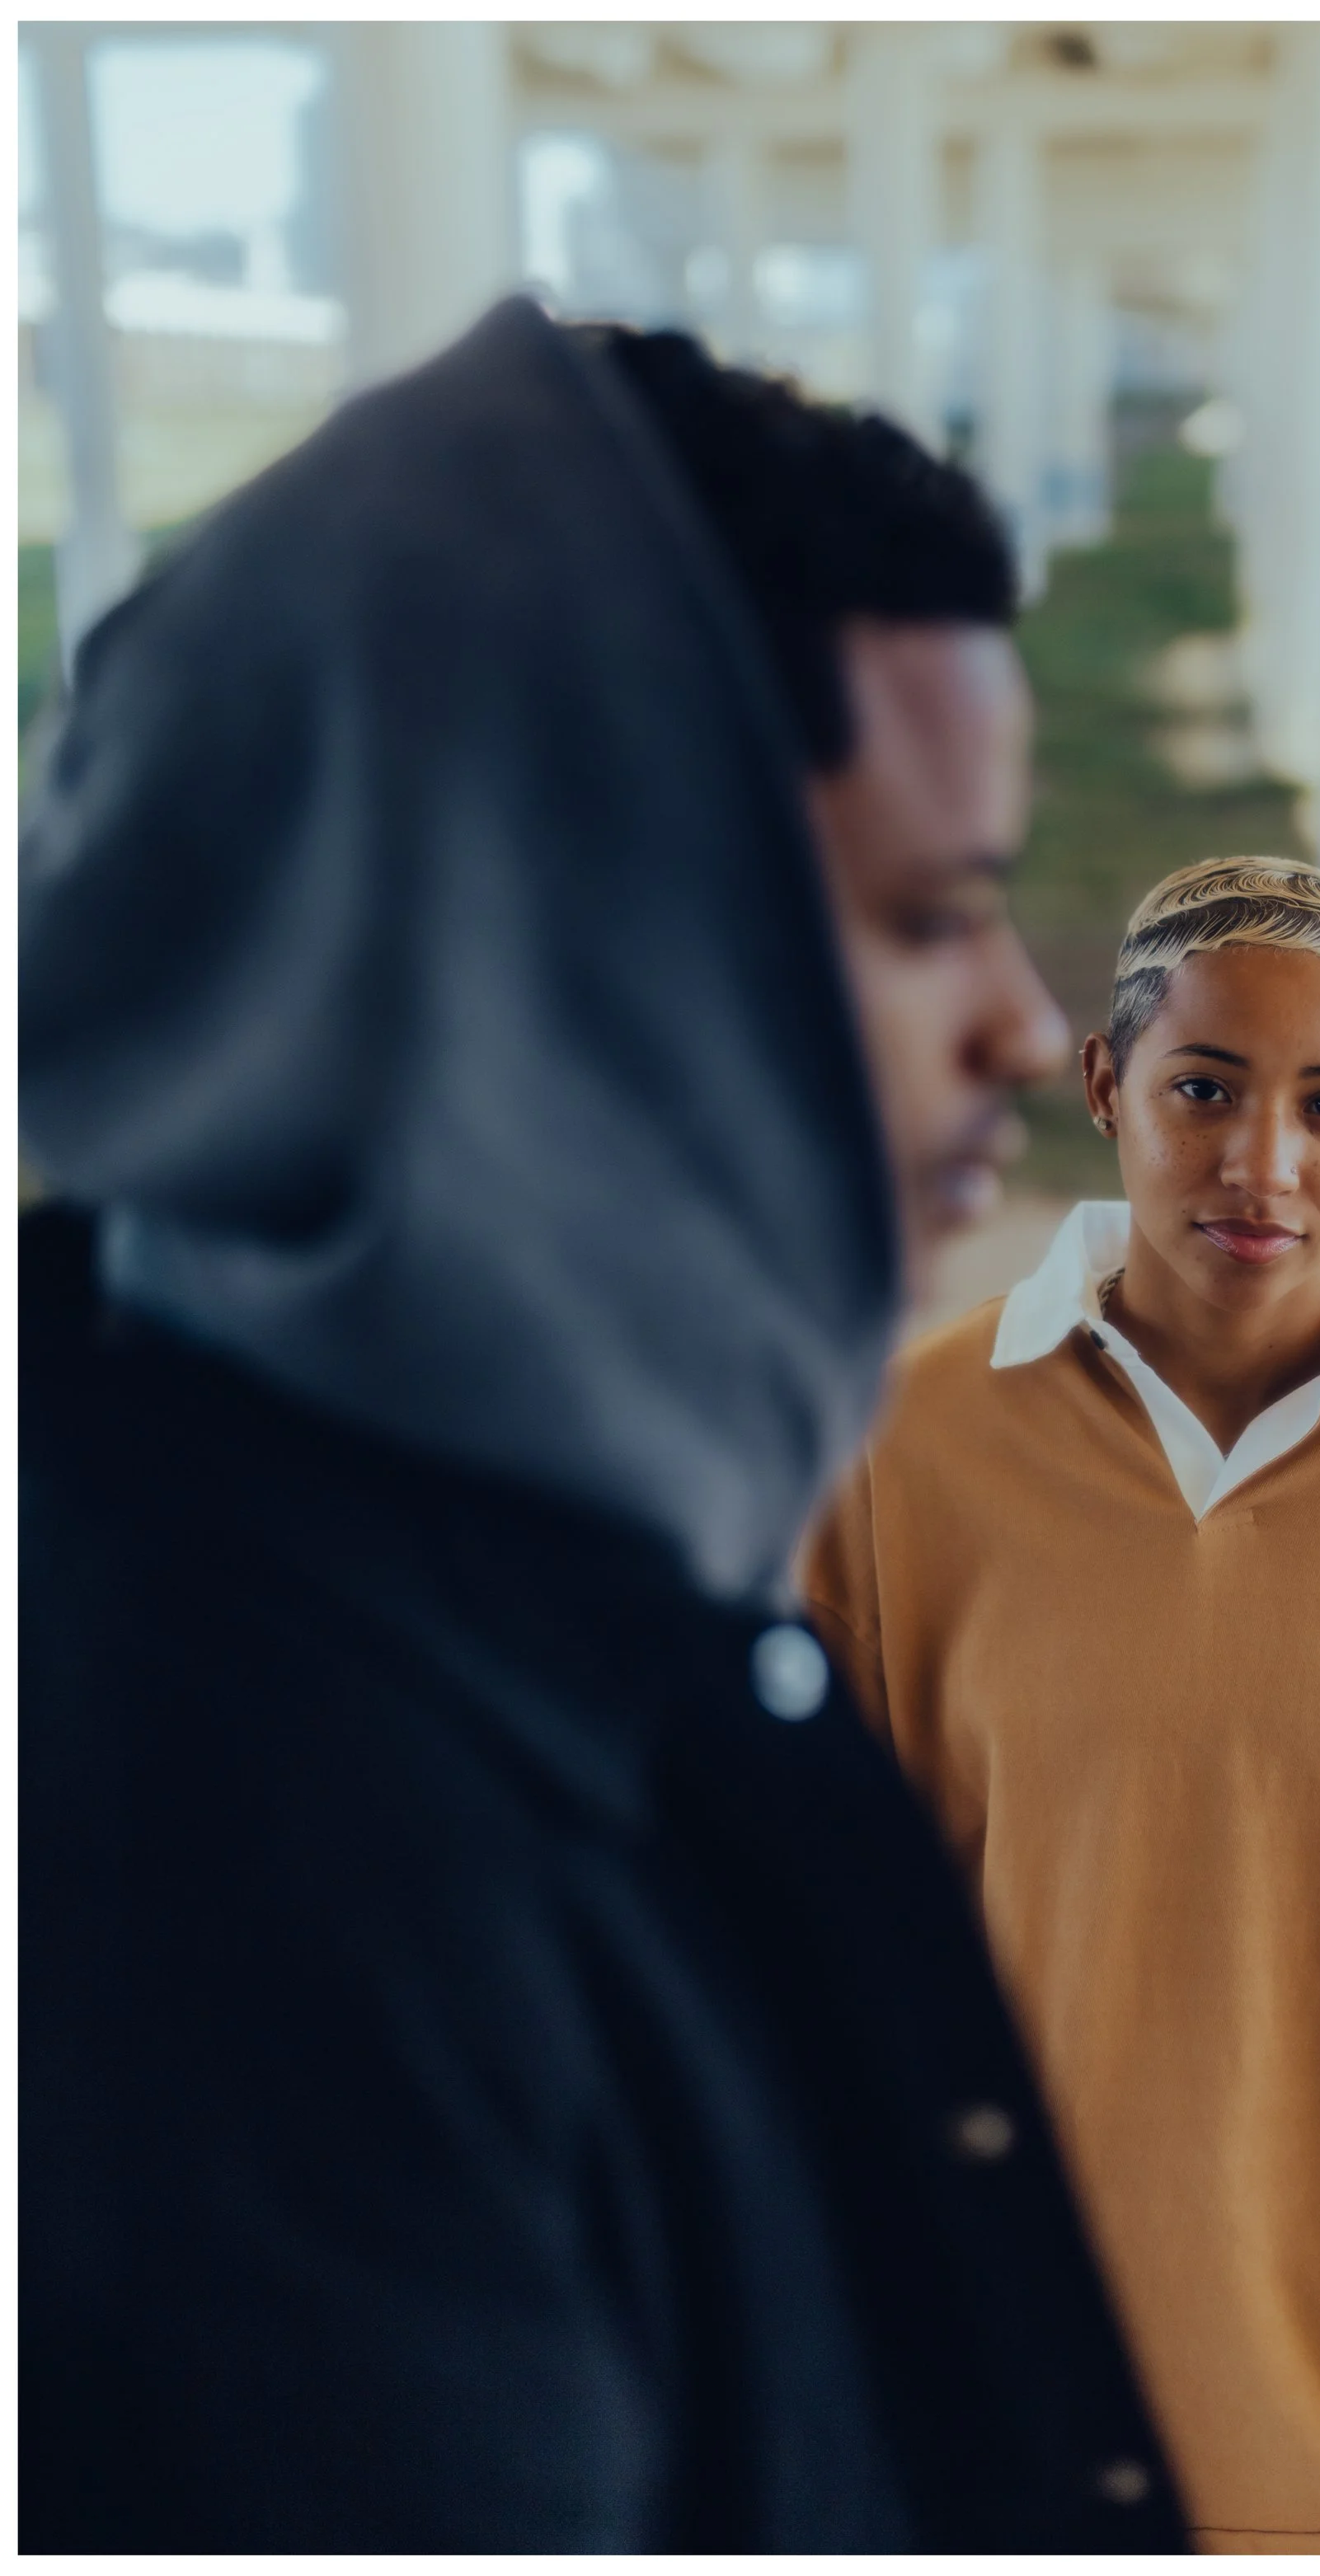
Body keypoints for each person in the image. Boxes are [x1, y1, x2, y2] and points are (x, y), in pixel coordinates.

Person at [20, 298, 1186, 2552]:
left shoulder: (554, 1583)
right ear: (562, 948)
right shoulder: (249, 1882)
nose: (1026, 1027)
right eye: (926, 917)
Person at [806, 855, 1320, 2555]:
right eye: (1202, 1088)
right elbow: (820, 1951)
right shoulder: (909, 1445)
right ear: (1104, 1084)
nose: (1263, 1161)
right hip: (987, 2420)